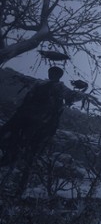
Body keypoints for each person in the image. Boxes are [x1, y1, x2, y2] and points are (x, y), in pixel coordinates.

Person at [0, 66, 79, 194]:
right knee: (8, 137)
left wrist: (82, 95)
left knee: (30, 152)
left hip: (40, 122)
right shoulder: (40, 83)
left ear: (59, 76)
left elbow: (72, 96)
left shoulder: (60, 87)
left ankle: (20, 189)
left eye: (54, 73)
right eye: (50, 72)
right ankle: (9, 164)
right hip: (24, 116)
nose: (51, 75)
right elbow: (27, 83)